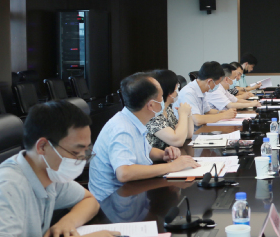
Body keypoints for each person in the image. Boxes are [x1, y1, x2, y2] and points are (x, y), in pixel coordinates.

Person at [0, 101, 123, 237]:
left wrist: (69, 221)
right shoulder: (6, 185)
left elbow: (89, 200)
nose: (82, 159)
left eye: (86, 151)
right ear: (42, 146)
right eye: (76, 152)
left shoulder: (49, 173)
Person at [89, 72, 199, 202]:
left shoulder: (134, 120)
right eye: (161, 96)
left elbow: (145, 150)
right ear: (151, 105)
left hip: (132, 192)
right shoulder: (122, 129)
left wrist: (164, 154)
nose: (163, 100)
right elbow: (124, 173)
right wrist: (171, 167)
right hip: (113, 202)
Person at [173, 61, 237, 128]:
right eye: (217, 84)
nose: (217, 86)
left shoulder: (202, 90)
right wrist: (223, 116)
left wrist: (220, 112)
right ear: (209, 81)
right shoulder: (188, 93)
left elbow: (207, 111)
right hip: (190, 132)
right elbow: (197, 120)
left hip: (200, 129)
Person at [146, 69, 193, 150]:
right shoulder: (153, 114)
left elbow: (188, 135)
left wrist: (188, 114)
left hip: (169, 154)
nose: (178, 89)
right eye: (177, 86)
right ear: (169, 91)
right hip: (157, 157)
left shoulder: (167, 109)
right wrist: (183, 114)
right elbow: (178, 141)